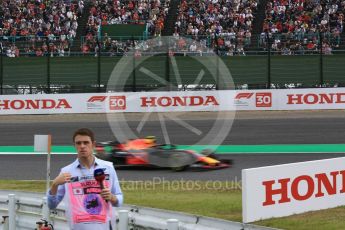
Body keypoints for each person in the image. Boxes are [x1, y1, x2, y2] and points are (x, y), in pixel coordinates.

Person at [47, 128, 123, 230]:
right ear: (75, 146)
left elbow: (119, 199)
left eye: (86, 142)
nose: (82, 146)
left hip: (104, 226)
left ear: (93, 144)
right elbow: (52, 205)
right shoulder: (66, 172)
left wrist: (112, 197)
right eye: (78, 143)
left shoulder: (108, 167)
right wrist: (54, 184)